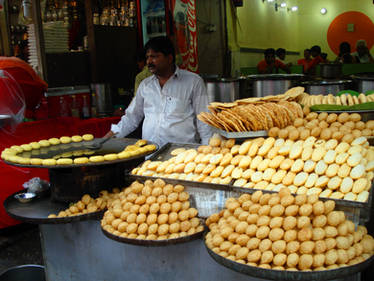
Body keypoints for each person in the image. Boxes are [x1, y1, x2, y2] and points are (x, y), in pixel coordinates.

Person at [105, 36, 212, 147]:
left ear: (169, 58)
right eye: (147, 57)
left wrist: (208, 149)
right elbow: (131, 118)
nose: (149, 61)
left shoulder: (193, 82)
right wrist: (107, 139)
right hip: (151, 155)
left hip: (182, 156)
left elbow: (204, 120)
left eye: (154, 56)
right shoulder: (145, 85)